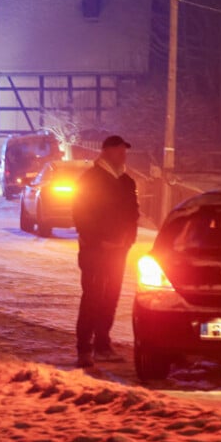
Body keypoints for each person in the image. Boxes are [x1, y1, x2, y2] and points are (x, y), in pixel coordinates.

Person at [71, 135, 140, 368]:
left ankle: (102, 344)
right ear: (107, 152)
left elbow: (133, 215)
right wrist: (99, 241)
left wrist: (128, 240)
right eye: (120, 152)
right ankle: (84, 348)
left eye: (124, 152)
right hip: (95, 251)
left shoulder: (126, 182)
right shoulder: (90, 180)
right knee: (92, 297)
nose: (123, 156)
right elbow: (81, 215)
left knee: (110, 297)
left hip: (119, 251)